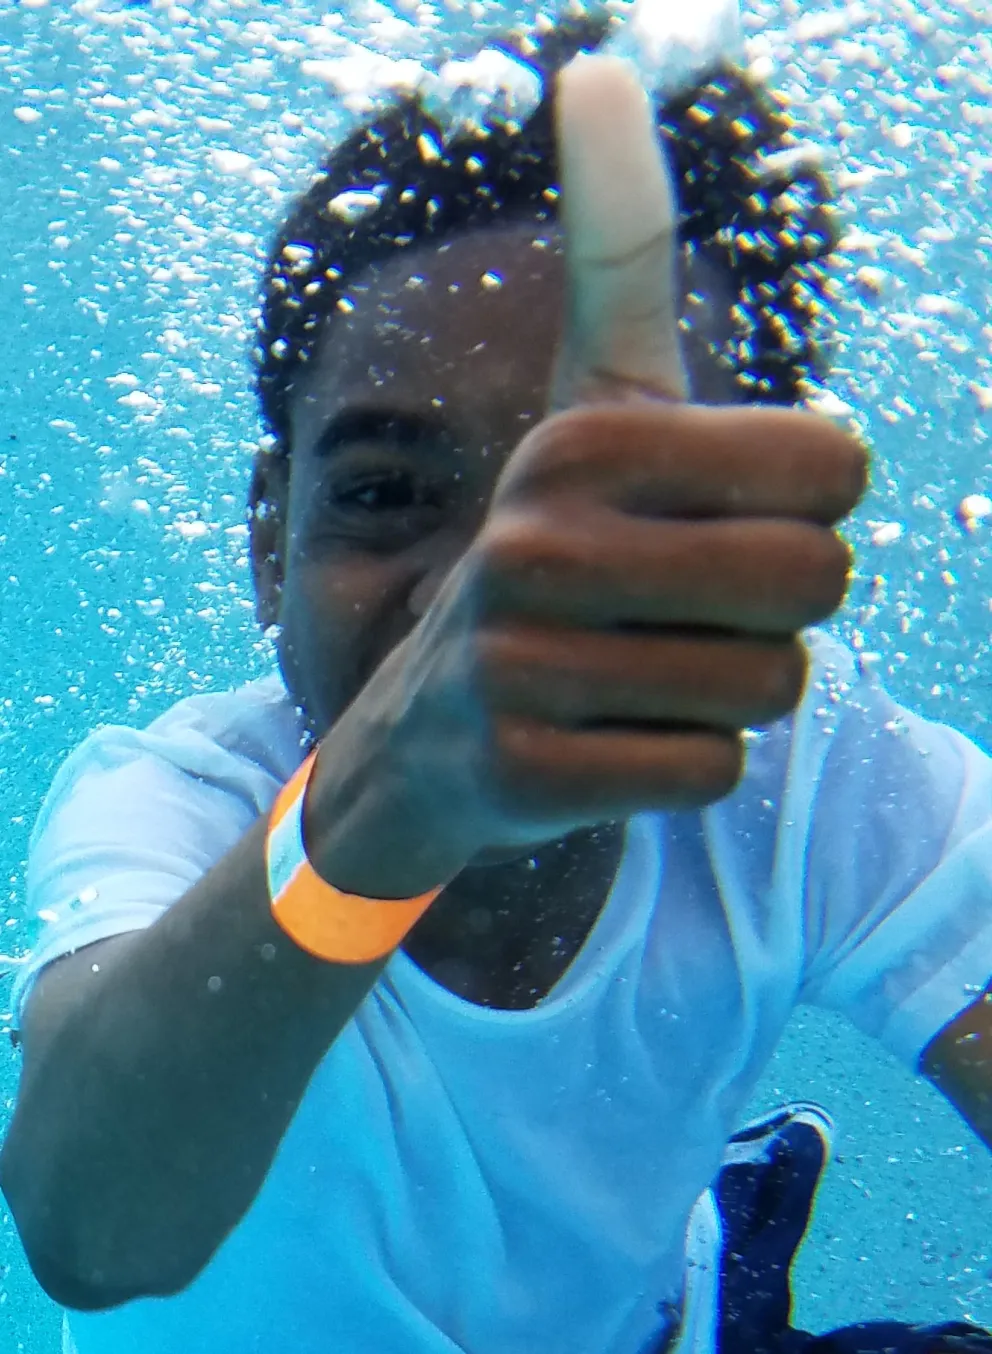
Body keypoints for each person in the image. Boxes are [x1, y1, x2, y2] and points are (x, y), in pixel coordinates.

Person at [2, 13, 992, 1354]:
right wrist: (392, 797)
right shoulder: (175, 803)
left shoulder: (796, 753)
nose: (494, 589)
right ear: (268, 540)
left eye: (618, 501)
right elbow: (92, 1224)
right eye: (385, 492)